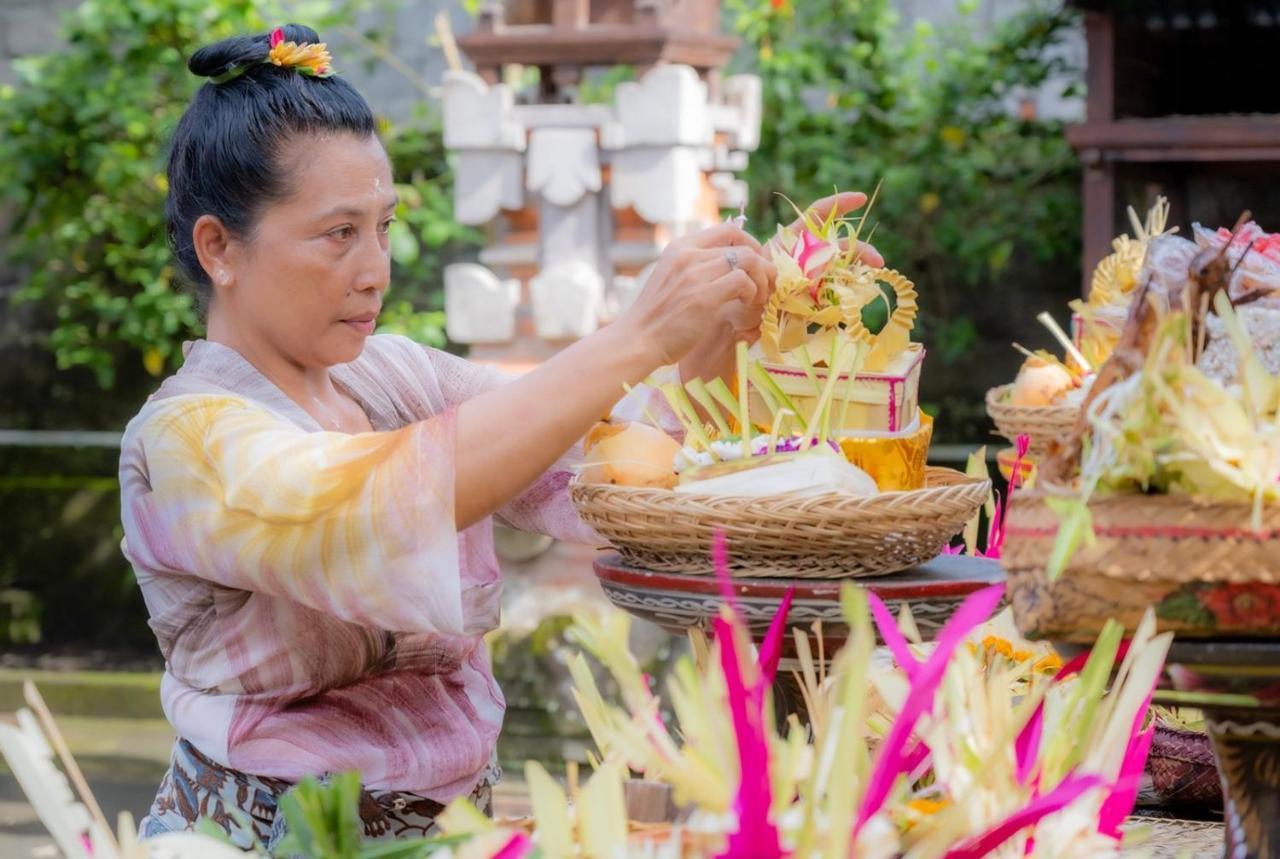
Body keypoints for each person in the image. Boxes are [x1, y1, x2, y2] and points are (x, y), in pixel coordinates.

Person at [121, 23, 879, 848]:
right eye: (338, 234)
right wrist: (634, 338)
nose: (375, 267)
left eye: (382, 226)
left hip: (457, 828)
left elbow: (612, 471)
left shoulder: (397, 374)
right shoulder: (185, 436)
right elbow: (372, 505)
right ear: (218, 248)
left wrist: (729, 329)